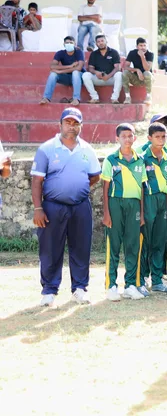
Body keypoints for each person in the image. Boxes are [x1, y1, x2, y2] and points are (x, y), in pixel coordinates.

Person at [31, 108, 101, 307]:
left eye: (76, 123)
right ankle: (49, 290)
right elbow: (37, 180)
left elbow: (94, 176)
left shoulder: (87, 149)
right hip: (53, 207)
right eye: (68, 122)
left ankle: (79, 288)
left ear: (81, 126)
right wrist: (38, 208)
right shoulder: (47, 149)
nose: (72, 126)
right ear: (60, 124)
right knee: (50, 249)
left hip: (80, 206)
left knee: (81, 247)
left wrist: (76, 187)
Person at [100, 123, 147, 302]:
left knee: (133, 245)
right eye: (124, 136)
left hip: (134, 205)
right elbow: (105, 187)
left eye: (130, 136)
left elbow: (142, 188)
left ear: (135, 138)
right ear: (117, 138)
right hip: (115, 203)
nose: (127, 139)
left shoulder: (140, 159)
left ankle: (130, 285)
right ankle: (111, 285)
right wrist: (106, 213)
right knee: (113, 244)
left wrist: (141, 213)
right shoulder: (111, 159)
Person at [140, 122, 167, 294]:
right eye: (157, 137)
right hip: (148, 200)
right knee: (144, 242)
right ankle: (139, 280)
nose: (160, 140)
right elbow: (140, 186)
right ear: (149, 138)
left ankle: (157, 280)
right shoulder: (142, 158)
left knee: (159, 242)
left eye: (163, 136)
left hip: (162, 201)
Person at [40, 36, 84, 106]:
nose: (69, 44)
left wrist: (60, 71)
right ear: (64, 44)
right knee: (53, 74)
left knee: (75, 73)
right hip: (66, 78)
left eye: (71, 43)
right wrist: (69, 66)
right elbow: (52, 67)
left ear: (75, 44)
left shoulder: (79, 52)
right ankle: (46, 98)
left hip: (79, 78)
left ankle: (76, 99)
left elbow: (79, 68)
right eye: (67, 43)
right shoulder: (60, 53)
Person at [83, 33, 122, 104]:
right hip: (98, 78)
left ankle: (114, 98)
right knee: (85, 75)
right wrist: (96, 72)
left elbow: (117, 67)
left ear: (106, 41)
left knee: (119, 74)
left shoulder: (113, 52)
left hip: (111, 78)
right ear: (96, 44)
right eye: (98, 42)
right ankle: (94, 98)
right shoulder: (94, 54)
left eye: (102, 41)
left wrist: (109, 76)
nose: (100, 43)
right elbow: (90, 68)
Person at [123, 37, 154, 105]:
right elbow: (125, 66)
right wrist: (137, 70)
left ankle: (148, 96)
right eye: (141, 45)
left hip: (148, 79)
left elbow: (147, 69)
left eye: (144, 45)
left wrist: (142, 57)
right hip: (136, 78)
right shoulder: (132, 53)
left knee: (147, 73)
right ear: (137, 46)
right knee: (125, 73)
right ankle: (127, 97)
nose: (143, 47)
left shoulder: (150, 53)